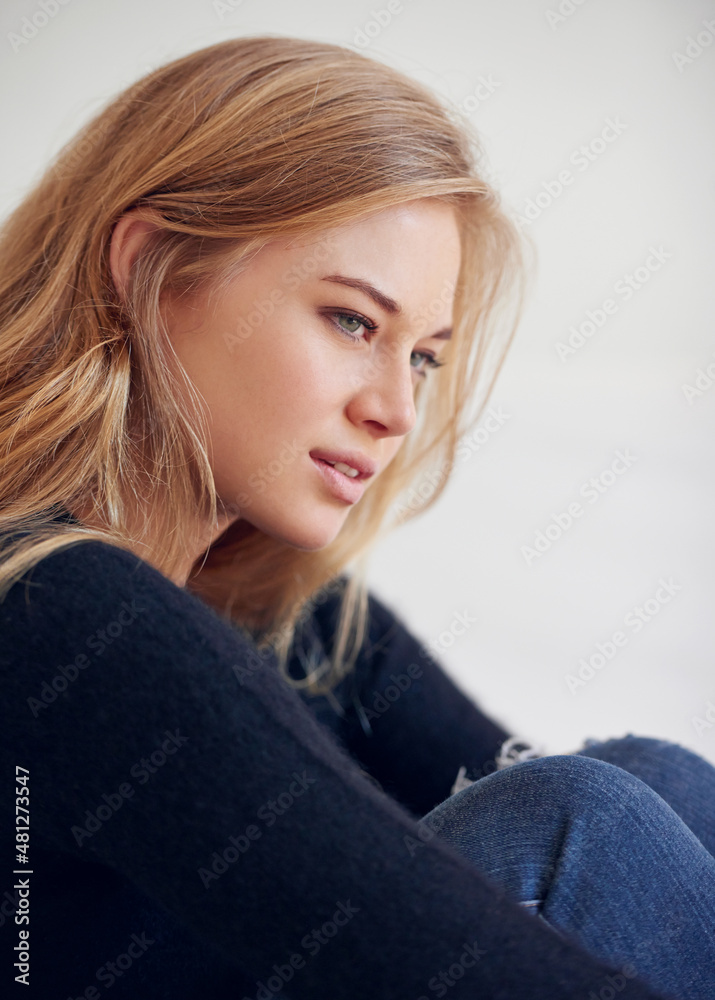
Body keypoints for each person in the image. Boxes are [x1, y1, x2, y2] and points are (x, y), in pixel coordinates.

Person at [0, 35, 713, 1000]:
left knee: (648, 782)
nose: (398, 409)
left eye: (422, 356)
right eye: (352, 322)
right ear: (152, 269)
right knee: (580, 819)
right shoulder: (54, 605)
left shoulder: (310, 624)